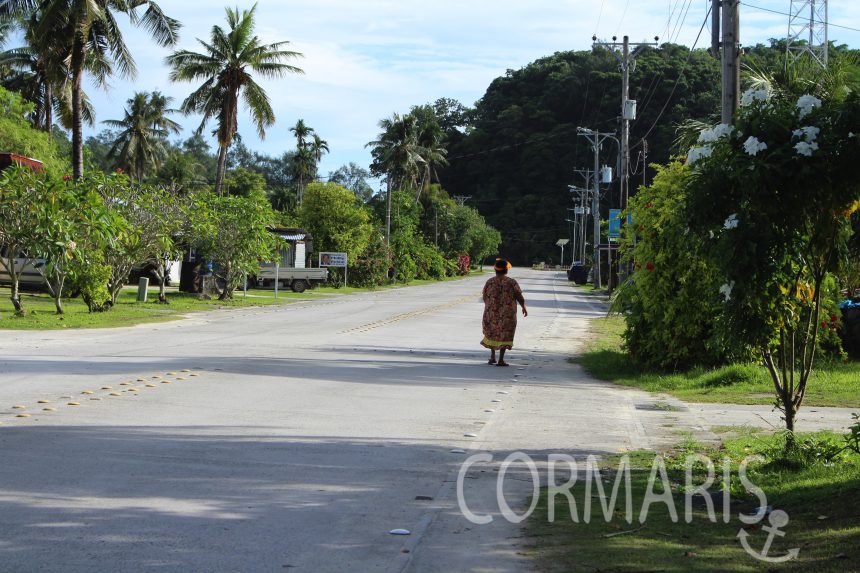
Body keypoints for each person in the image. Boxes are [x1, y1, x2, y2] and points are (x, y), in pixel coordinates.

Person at [481, 258, 527, 366]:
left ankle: (492, 357)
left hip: (491, 313)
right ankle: (501, 359)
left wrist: (490, 307)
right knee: (505, 334)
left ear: (495, 270)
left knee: (492, 332)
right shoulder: (511, 282)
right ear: (506, 270)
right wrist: (523, 307)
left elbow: (484, 296)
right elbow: (519, 296)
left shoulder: (490, 282)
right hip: (507, 315)